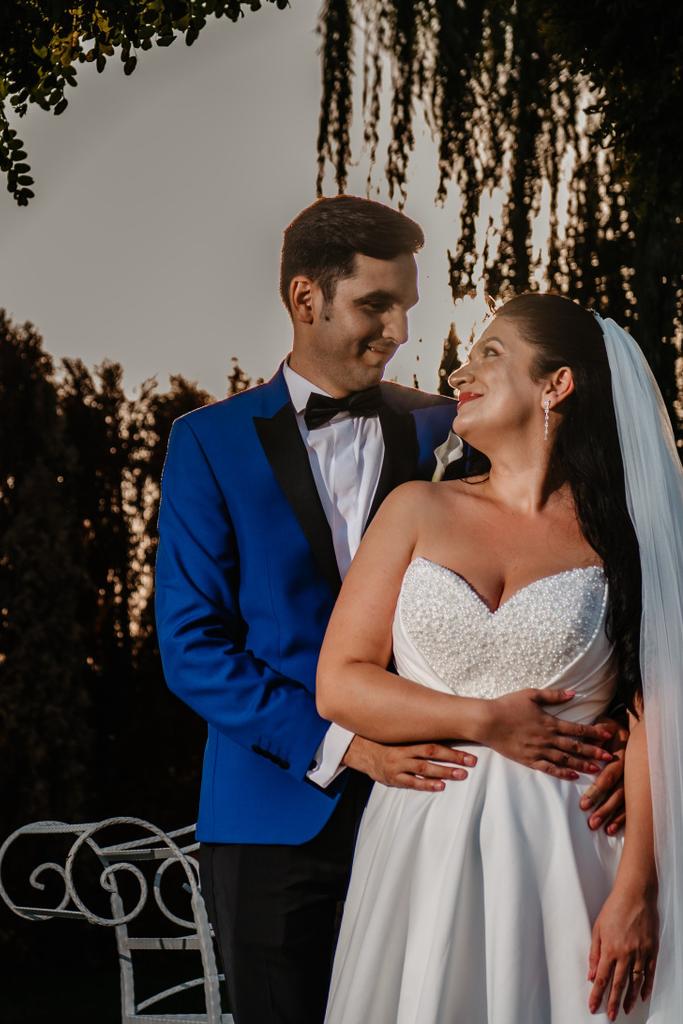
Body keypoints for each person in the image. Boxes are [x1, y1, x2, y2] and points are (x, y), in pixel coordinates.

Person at [155, 204, 628, 1024]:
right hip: (276, 811)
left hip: (451, 809)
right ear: (306, 298)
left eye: (406, 305)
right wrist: (347, 743)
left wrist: (611, 727)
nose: (401, 330)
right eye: (376, 304)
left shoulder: (454, 422)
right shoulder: (209, 444)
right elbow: (193, 647)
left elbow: (574, 565)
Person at [317, 293, 683, 1024]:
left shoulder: (624, 537)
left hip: (573, 857)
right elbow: (340, 684)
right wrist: (483, 721)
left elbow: (659, 713)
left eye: (490, 352)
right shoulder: (415, 508)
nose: (459, 373)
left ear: (557, 384)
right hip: (423, 846)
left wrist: (637, 889)